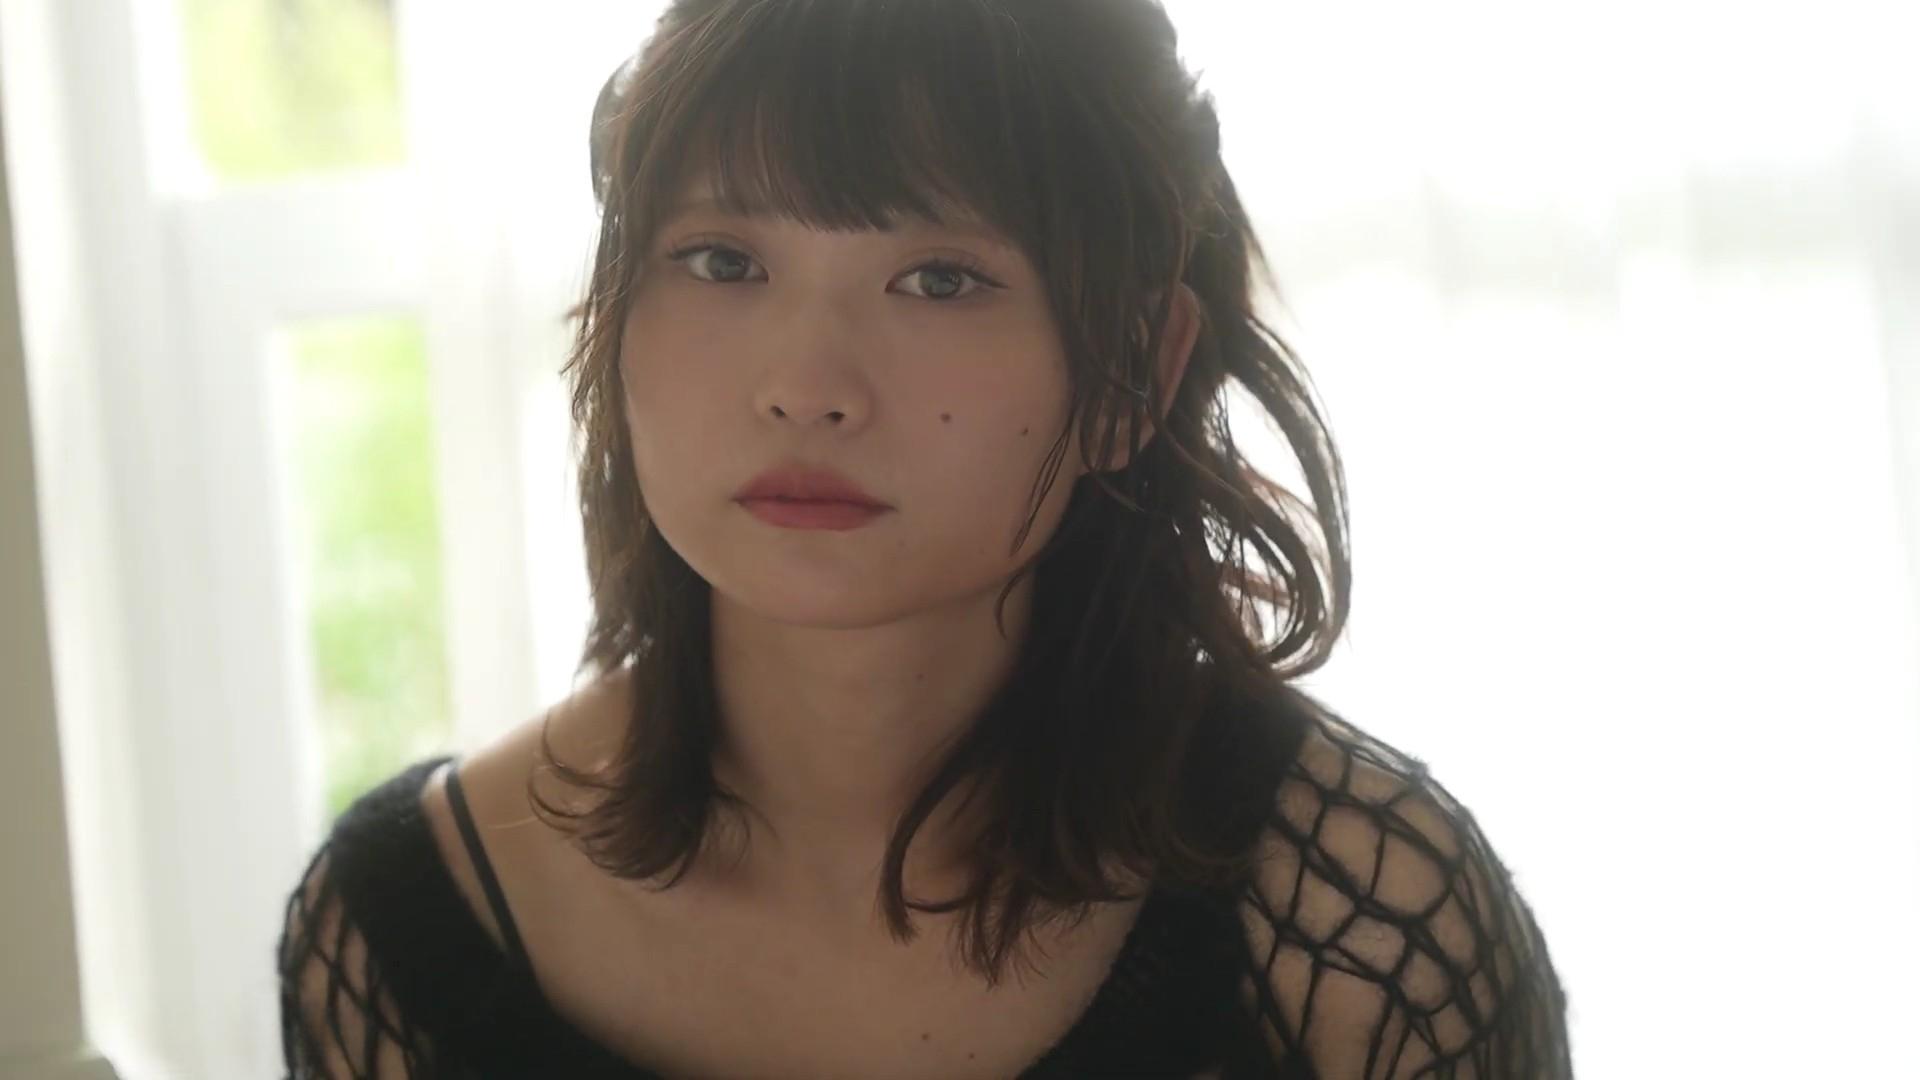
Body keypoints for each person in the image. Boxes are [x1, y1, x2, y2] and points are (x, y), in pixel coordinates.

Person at [276, 0, 1573, 1076]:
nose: (807, 387)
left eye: (939, 281)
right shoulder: (403, 925)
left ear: (1133, 369)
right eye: (723, 262)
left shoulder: (1360, 927)